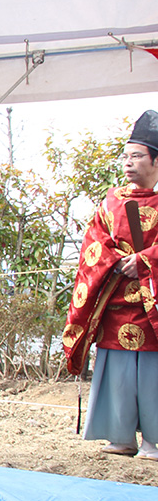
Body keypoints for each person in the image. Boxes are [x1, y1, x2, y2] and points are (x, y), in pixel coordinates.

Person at [64, 110, 158, 461]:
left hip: (153, 303)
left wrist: (147, 260)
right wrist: (113, 260)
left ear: (155, 159)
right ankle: (121, 437)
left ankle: (153, 441)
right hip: (116, 297)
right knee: (117, 371)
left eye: (137, 156)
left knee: (153, 375)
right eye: (126, 156)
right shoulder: (112, 200)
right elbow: (94, 241)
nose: (129, 163)